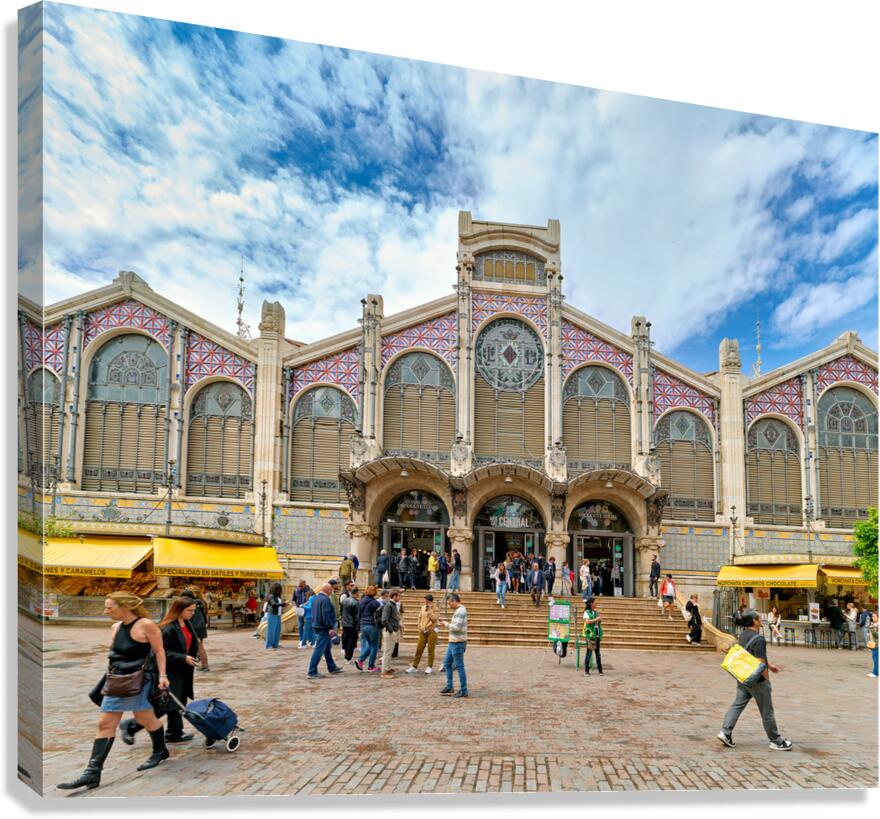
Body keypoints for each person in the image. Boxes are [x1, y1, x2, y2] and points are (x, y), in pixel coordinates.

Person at [57, 593, 170, 791]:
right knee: (123, 720)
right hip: (116, 681)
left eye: (110, 607)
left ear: (125, 606)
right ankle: (94, 772)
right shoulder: (116, 627)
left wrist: (162, 676)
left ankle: (158, 752)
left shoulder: (146, 625)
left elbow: (159, 651)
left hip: (137, 680)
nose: (105, 611)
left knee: (134, 719)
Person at [717, 609, 793, 751]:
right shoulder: (759, 639)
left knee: (737, 705)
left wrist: (770, 665)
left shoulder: (744, 634)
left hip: (743, 678)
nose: (761, 619)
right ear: (754, 621)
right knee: (767, 711)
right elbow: (759, 663)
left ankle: (725, 732)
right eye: (759, 617)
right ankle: (776, 740)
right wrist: (766, 680)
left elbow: (749, 656)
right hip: (757, 681)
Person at [307, 583, 343, 679]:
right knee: (319, 649)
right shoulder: (325, 599)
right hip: (323, 627)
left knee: (326, 648)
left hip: (317, 625)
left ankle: (332, 667)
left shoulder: (316, 598)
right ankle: (312, 671)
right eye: (331, 590)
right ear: (327, 590)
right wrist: (330, 627)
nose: (332, 591)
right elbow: (326, 614)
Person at [439, 593, 468, 698]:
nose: (449, 605)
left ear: (454, 601)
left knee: (459, 667)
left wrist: (445, 624)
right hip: (453, 642)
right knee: (447, 664)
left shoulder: (461, 611)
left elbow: (457, 627)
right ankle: (449, 686)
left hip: (458, 642)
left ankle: (464, 690)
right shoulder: (458, 611)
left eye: (449, 603)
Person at [406, 593, 438, 674]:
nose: (425, 603)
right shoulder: (422, 607)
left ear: (430, 601)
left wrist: (430, 610)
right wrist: (419, 627)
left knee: (431, 650)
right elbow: (419, 618)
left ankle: (430, 666)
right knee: (419, 649)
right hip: (422, 631)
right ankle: (414, 666)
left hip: (431, 631)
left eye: (427, 601)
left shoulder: (436, 608)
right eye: (425, 601)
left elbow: (434, 619)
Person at [180, 588, 210, 671]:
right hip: (201, 626)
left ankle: (205, 665)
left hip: (194, 626)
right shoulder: (199, 602)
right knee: (198, 646)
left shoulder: (188, 604)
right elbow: (204, 614)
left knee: (197, 646)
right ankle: (203, 665)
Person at [355, 585, 382, 672]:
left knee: (370, 645)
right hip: (372, 625)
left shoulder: (361, 602)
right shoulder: (375, 603)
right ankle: (370, 666)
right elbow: (379, 615)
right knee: (374, 646)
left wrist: (359, 626)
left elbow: (358, 615)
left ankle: (360, 660)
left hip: (363, 625)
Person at [380, 589, 402, 678]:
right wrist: (391, 630)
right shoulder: (389, 605)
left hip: (392, 630)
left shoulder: (392, 605)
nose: (399, 597)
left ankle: (388, 668)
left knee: (390, 651)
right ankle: (384, 671)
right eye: (398, 596)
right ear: (394, 596)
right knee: (387, 652)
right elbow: (384, 620)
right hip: (389, 631)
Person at [581, 597, 604, 675]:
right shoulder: (586, 612)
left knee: (598, 653)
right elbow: (587, 622)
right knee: (589, 653)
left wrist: (599, 620)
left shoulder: (596, 612)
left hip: (597, 634)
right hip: (590, 635)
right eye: (595, 602)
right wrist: (597, 619)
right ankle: (586, 671)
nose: (596, 603)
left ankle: (600, 670)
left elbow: (597, 622)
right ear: (591, 603)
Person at [340, 584, 360, 664]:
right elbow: (357, 616)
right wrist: (357, 625)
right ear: (356, 593)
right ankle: (348, 657)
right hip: (352, 624)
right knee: (352, 640)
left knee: (346, 638)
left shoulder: (345, 601)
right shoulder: (355, 602)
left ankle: (346, 653)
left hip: (345, 623)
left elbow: (342, 611)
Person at [264, 582, 286, 650]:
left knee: (277, 631)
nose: (278, 591)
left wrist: (283, 604)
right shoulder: (271, 596)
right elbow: (273, 604)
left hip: (278, 615)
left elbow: (278, 604)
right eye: (277, 589)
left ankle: (275, 644)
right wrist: (282, 604)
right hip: (272, 614)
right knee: (271, 631)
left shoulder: (277, 596)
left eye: (279, 589)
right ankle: (269, 645)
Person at [293, 580, 312, 648]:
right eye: (299, 586)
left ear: (305, 584)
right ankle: (301, 640)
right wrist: (295, 605)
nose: (300, 587)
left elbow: (311, 599)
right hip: (300, 609)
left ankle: (310, 640)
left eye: (301, 586)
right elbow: (293, 599)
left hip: (307, 609)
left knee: (308, 625)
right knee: (300, 624)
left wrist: (305, 604)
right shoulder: (296, 591)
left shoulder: (309, 590)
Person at [867, 612, 878, 678]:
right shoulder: (874, 624)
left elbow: (876, 635)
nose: (872, 617)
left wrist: (872, 631)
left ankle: (875, 673)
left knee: (875, 658)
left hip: (876, 644)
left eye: (874, 616)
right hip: (874, 643)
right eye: (872, 616)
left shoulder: (876, 625)